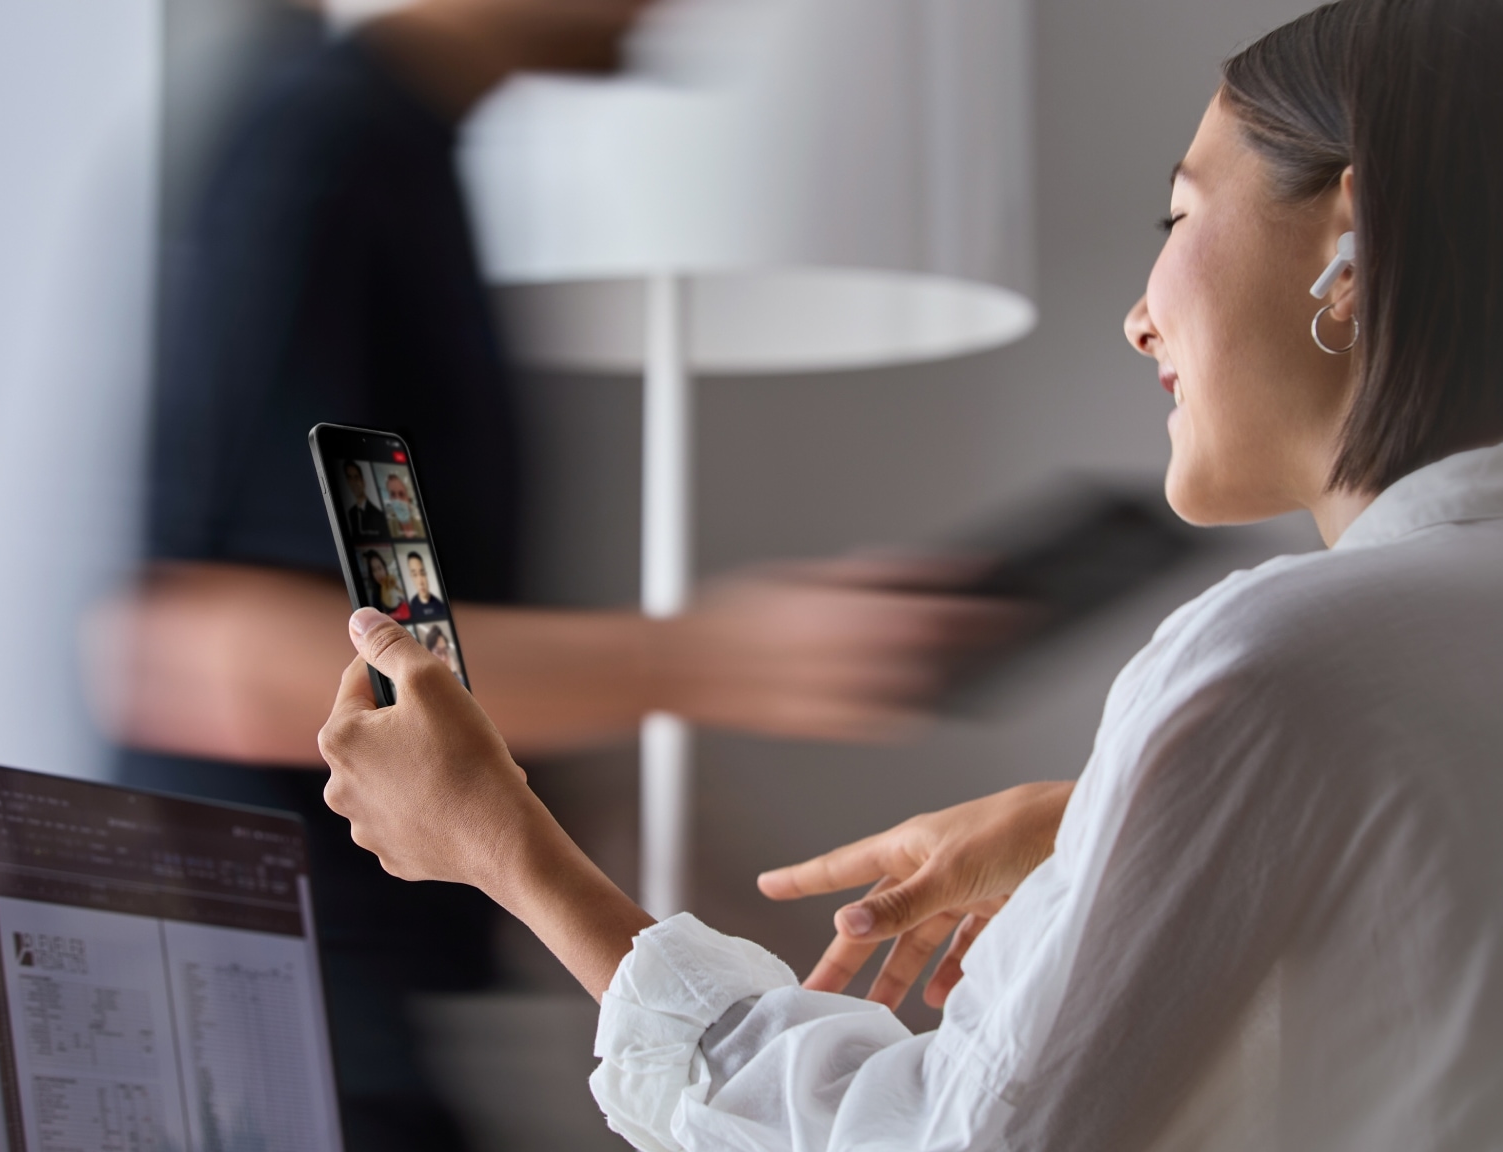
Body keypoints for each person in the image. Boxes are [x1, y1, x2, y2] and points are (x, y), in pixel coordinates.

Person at [313, 0, 1503, 1148]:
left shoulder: (1283, 660)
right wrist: (1113, 822)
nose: (1139, 316)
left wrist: (511, 852)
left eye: (1176, 214)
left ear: (1349, 243)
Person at [83, 2, 1005, 1147]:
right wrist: (707, 656)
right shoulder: (323, 151)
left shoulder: (407, 154)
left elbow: (414, 644)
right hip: (259, 1037)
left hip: (340, 1015)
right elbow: (200, 653)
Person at [342, 460, 388, 539]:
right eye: (350, 478)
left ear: (363, 481)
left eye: (356, 477)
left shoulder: (378, 515)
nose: (354, 482)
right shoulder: (351, 513)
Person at [403, 551, 447, 619]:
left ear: (426, 574)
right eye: (414, 575)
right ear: (411, 577)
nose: (420, 582)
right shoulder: (412, 605)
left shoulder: (442, 608)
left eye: (422, 573)